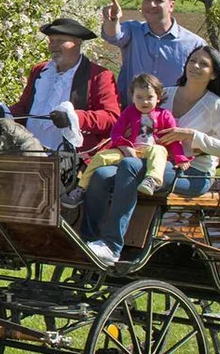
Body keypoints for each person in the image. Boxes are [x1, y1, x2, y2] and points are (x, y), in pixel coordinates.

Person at [69, 74, 185, 264]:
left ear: (158, 97)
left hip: (150, 155)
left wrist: (180, 158)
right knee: (100, 169)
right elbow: (116, 133)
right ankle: (87, 227)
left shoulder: (164, 115)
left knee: (158, 150)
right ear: (132, 97)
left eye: (149, 97)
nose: (145, 102)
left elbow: (174, 141)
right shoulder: (129, 113)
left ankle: (151, 180)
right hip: (129, 150)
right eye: (139, 97)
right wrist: (124, 146)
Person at [7, 17, 122, 152]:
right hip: (28, 150)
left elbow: (111, 118)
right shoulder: (39, 71)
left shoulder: (99, 75)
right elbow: (24, 108)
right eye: (51, 41)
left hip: (73, 156)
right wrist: (6, 113)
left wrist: (75, 118)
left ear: (78, 42)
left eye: (60, 41)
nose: (53, 46)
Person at [100, 0, 205, 107]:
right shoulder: (133, 31)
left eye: (158, 0)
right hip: (131, 119)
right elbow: (113, 35)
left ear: (171, 6)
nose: (151, 5)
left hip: (173, 119)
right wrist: (112, 20)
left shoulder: (194, 44)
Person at [159, 46, 220, 198]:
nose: (196, 66)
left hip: (195, 173)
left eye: (204, 64)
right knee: (107, 174)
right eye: (192, 61)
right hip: (157, 160)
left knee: (137, 172)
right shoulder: (164, 95)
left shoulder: (216, 106)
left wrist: (192, 136)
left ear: (213, 74)